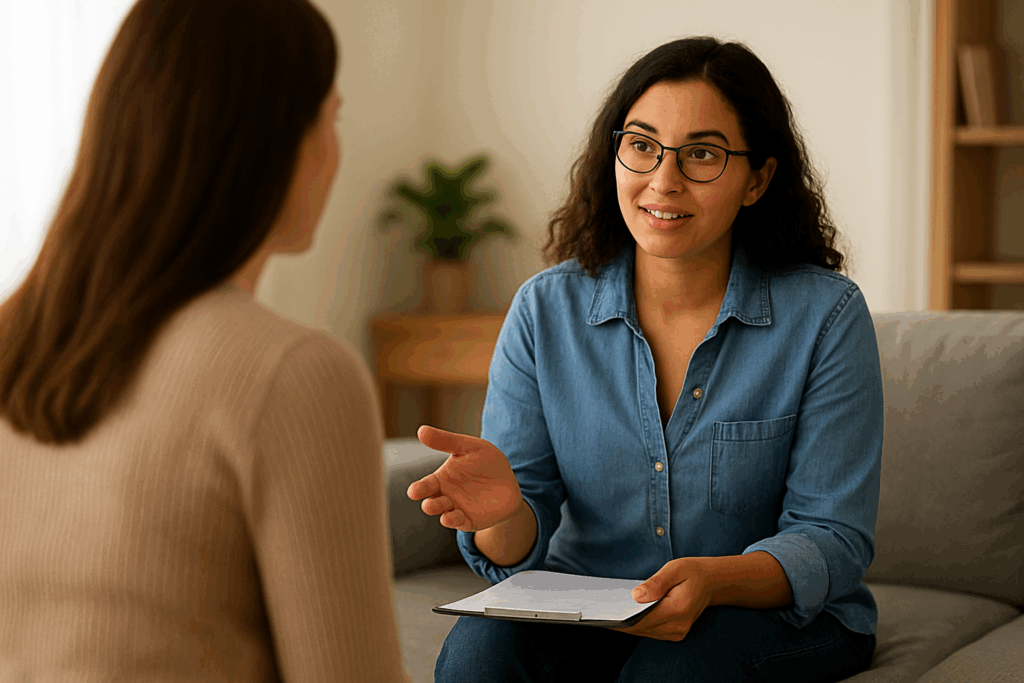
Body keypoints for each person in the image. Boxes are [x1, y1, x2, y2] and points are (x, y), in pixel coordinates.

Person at [408, 36, 882, 682]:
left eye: (702, 155)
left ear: (757, 180)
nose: (663, 180)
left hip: (766, 613)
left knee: (674, 670)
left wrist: (713, 580)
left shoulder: (825, 316)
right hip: (593, 604)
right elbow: (518, 542)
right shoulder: (544, 311)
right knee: (476, 658)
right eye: (642, 145)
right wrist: (503, 515)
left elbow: (832, 534)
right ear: (615, 153)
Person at [0, 1, 409, 681]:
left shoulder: (15, 333)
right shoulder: (297, 374)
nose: (336, 150)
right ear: (279, 140)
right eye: (330, 118)